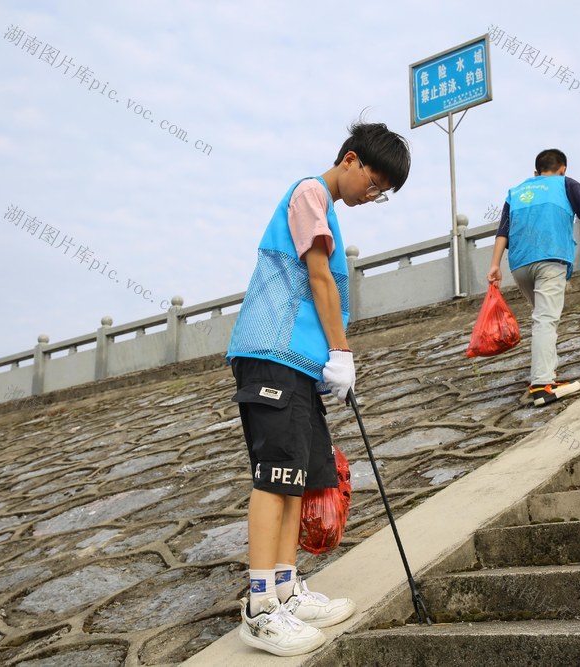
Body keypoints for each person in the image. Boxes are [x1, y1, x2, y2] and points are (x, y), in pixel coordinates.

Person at [225, 120, 411, 657]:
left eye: (383, 194)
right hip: (272, 354)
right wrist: (342, 352)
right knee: (275, 477)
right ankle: (260, 607)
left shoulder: (324, 206)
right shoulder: (310, 191)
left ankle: (285, 588)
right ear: (350, 160)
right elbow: (319, 278)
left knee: (297, 480)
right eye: (374, 184)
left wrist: (327, 359)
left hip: (299, 363)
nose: (373, 196)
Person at [487, 148, 580, 406]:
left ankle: (548, 373)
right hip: (550, 259)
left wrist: (494, 265)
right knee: (546, 319)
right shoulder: (565, 183)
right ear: (563, 168)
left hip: (519, 266)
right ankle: (542, 384)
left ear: (535, 173)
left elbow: (503, 232)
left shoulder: (516, 193)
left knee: (543, 318)